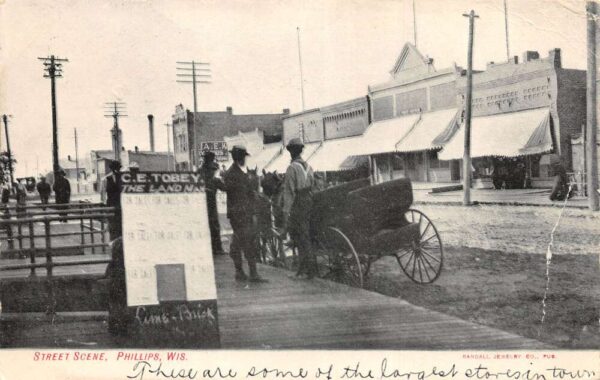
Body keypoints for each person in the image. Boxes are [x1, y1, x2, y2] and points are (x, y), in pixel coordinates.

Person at [223, 145, 268, 283]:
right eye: (243, 157)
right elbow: (239, 193)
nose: (244, 159)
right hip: (240, 214)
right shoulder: (233, 174)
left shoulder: (236, 173)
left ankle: (241, 272)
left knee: (241, 242)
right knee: (247, 242)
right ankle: (250, 273)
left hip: (240, 213)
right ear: (240, 157)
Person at [281, 138, 317, 279]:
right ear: (301, 151)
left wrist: (285, 213)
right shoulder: (308, 166)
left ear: (290, 152)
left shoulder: (291, 168)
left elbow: (289, 193)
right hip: (309, 201)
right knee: (305, 235)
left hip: (298, 203)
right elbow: (313, 185)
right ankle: (308, 269)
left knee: (301, 237)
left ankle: (305, 270)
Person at [200, 151, 226, 256]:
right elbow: (225, 187)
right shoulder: (213, 177)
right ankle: (217, 248)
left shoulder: (199, 172)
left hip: (201, 204)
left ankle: (208, 248)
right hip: (210, 203)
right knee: (214, 225)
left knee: (206, 225)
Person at [101, 160, 123, 240]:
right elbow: (103, 193)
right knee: (113, 225)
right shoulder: (107, 179)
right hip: (111, 205)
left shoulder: (124, 177)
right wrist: (104, 205)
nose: (116, 170)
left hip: (121, 205)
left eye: (118, 168)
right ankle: (113, 241)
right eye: (115, 168)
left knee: (121, 225)